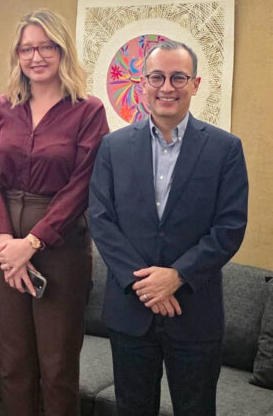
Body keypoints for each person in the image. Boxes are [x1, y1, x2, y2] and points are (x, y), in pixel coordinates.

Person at [89, 40, 248, 415]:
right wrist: (144, 284)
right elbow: (100, 218)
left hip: (194, 311)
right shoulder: (113, 146)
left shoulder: (225, 148)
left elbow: (229, 227)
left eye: (178, 77)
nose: (167, 87)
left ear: (195, 84)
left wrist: (177, 276)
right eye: (157, 77)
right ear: (143, 83)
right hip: (130, 311)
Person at [0, 9, 109, 415]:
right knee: (13, 365)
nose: (35, 57)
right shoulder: (2, 107)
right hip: (4, 248)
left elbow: (83, 185)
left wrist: (31, 244)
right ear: (17, 55)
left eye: (46, 47)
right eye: (26, 49)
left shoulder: (88, 110)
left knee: (57, 368)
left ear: (62, 50)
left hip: (60, 250)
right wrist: (6, 244)